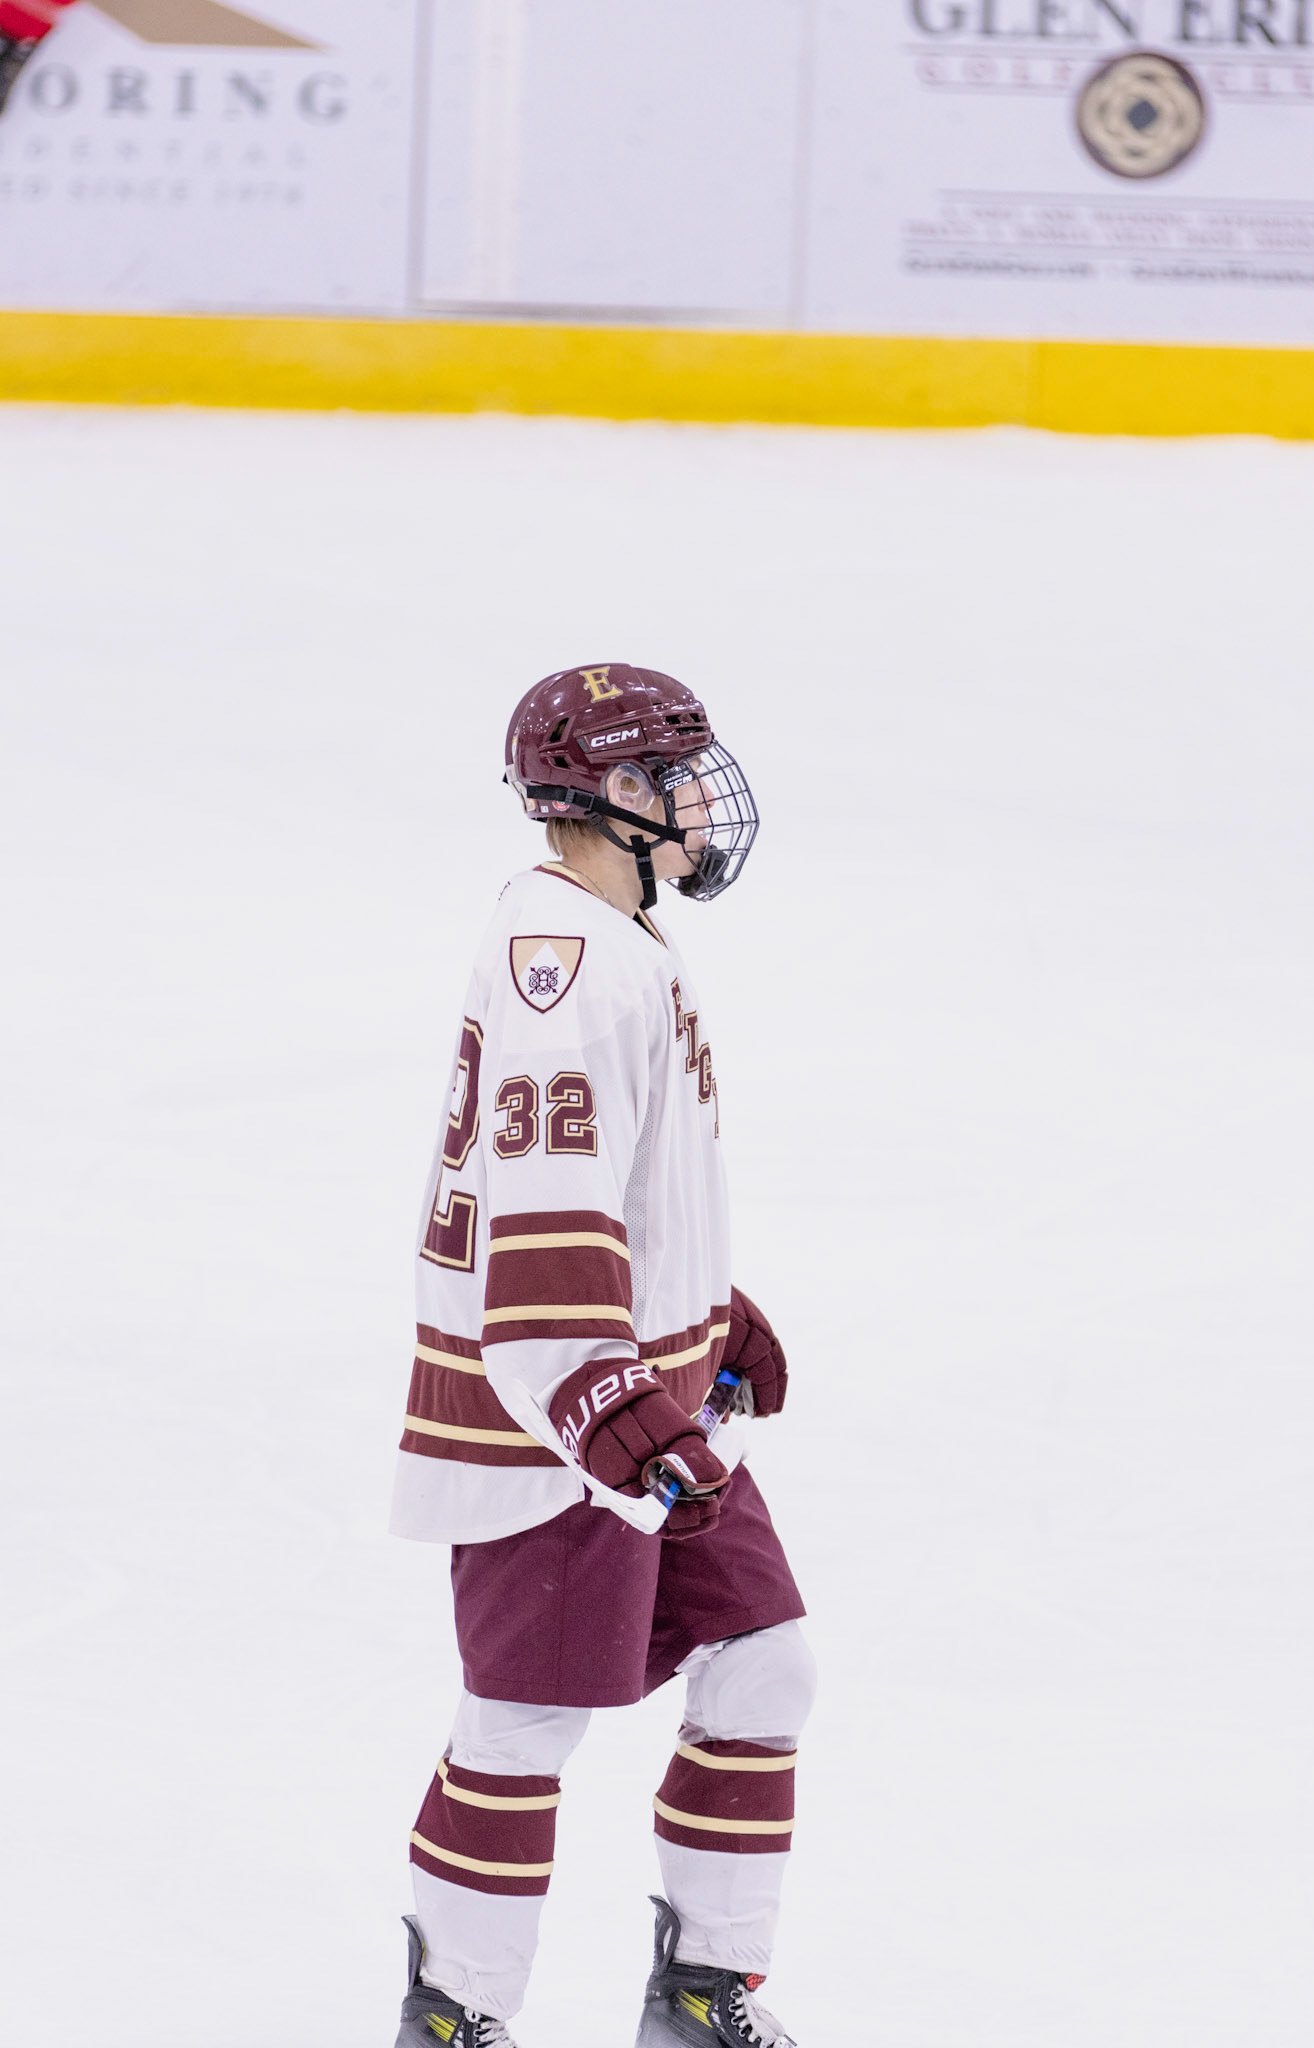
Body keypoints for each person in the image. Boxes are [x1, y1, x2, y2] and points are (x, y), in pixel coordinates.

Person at [390, 664, 816, 2048]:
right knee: (519, 1725)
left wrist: (702, 1307)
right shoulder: (559, 967)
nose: (702, 803)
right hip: (562, 1425)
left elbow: (614, 1183)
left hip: (639, 1394)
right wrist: (605, 1398)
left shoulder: (608, 940)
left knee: (762, 1661)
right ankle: (451, 2014)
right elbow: (543, 1214)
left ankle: (700, 1992)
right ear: (619, 793)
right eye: (677, 778)